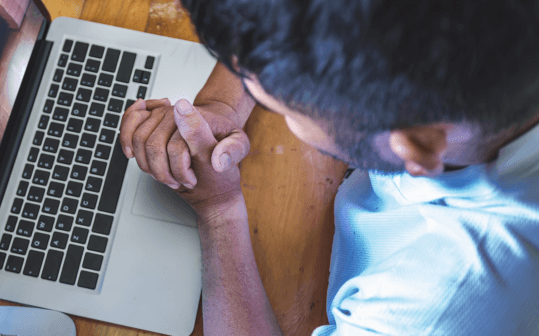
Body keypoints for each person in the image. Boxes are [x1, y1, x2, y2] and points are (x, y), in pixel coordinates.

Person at [119, 0, 539, 334]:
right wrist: (223, 103)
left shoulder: (427, 308)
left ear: (415, 147)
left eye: (284, 108)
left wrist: (220, 210)